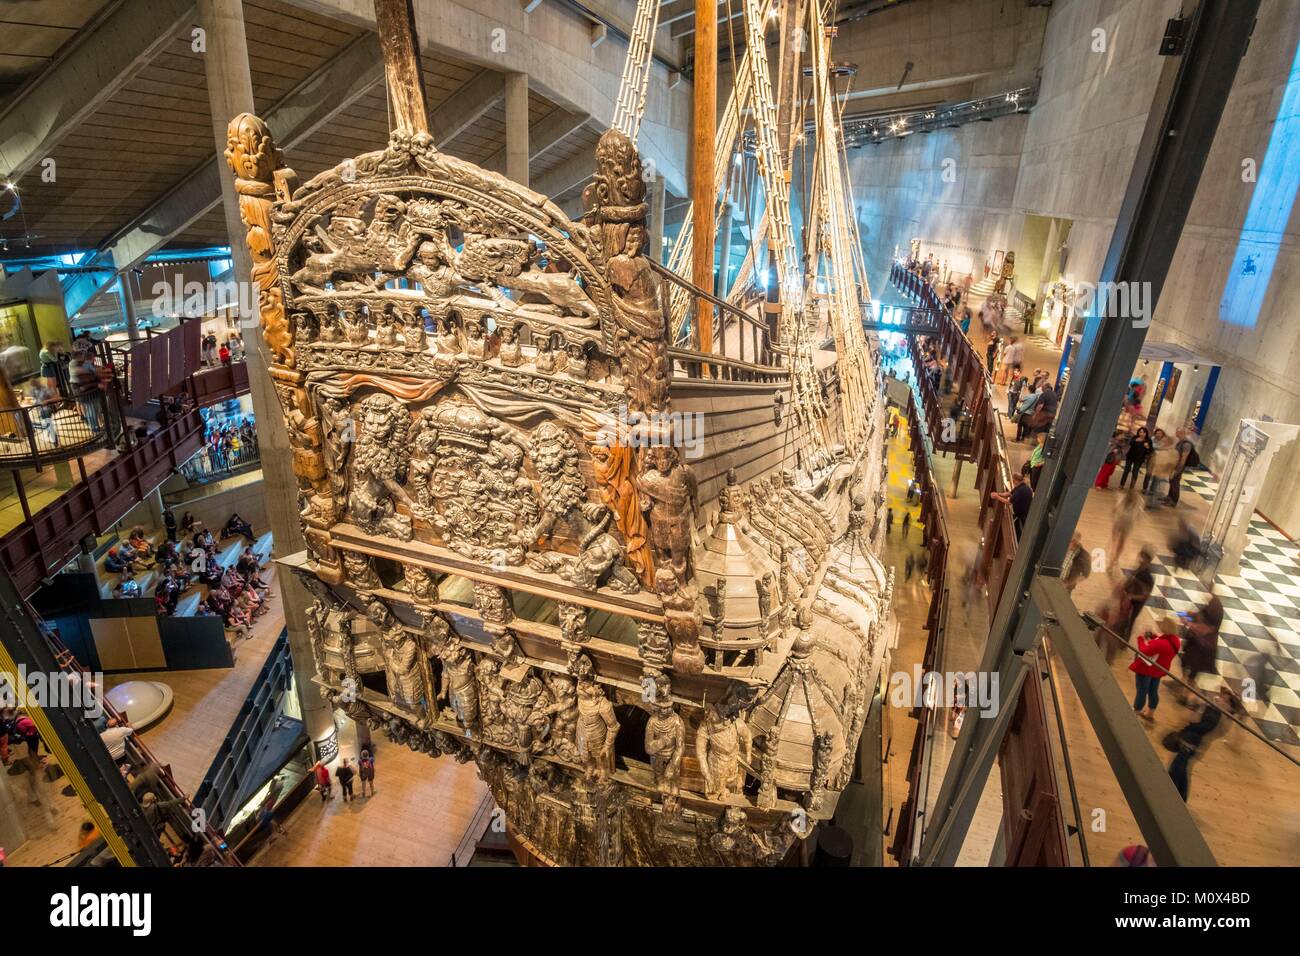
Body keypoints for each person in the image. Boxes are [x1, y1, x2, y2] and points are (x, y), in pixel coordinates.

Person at [1165, 686, 1239, 801]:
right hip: (1194, 744)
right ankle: (1180, 798)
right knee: (1183, 769)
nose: (1219, 698)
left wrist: (1198, 709)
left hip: (1192, 744)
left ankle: (1171, 797)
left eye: (1223, 698)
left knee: (1176, 769)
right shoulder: (1222, 715)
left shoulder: (1219, 716)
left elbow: (1200, 725)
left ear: (1229, 706)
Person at [1130, 620, 1181, 720]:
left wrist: (1140, 638)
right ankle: (1150, 713)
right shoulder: (1175, 640)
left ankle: (1136, 710)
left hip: (1147, 669)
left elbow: (1144, 651)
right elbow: (1162, 644)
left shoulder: (1161, 643)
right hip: (1158, 670)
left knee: (1142, 691)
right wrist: (1153, 637)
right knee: (1153, 691)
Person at [1178, 595, 1223, 695]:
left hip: (1203, 649)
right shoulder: (1208, 611)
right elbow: (1198, 615)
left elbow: (1204, 630)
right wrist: (1185, 614)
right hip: (1195, 644)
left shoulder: (1213, 620)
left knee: (1193, 673)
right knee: (1184, 663)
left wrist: (1188, 623)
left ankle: (1186, 696)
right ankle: (1180, 685)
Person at [991, 471, 1033, 538]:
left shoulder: (1020, 491)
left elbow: (1009, 502)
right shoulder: (1023, 486)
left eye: (1013, 480)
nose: (1013, 481)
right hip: (1025, 512)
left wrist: (997, 497)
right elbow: (1009, 493)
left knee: (1019, 530)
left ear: (1016, 480)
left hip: (1022, 516)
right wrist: (998, 494)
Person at [1110, 486, 1143, 570]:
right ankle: (1115, 558)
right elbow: (1139, 515)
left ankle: (1113, 557)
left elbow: (1114, 510)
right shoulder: (1139, 501)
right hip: (1128, 523)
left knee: (1115, 541)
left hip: (1119, 521)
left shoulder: (1122, 498)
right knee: (1121, 542)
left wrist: (1113, 515)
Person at [1163, 427, 1198, 506]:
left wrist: (1178, 469)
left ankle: (1173, 501)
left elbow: (1184, 458)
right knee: (1172, 480)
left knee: (1175, 482)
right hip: (1175, 464)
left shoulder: (1186, 444)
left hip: (1179, 466)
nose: (1175, 433)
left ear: (1181, 433)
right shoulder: (1181, 442)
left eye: (1177, 432)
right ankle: (1169, 497)